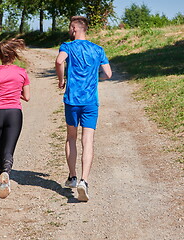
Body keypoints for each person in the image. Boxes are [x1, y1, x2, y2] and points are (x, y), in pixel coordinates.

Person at [55, 16, 112, 202]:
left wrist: (61, 80)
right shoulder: (98, 49)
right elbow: (108, 74)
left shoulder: (68, 47)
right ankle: (84, 181)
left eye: (70, 28)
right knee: (88, 139)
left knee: (71, 137)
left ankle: (72, 177)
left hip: (72, 100)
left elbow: (58, 62)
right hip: (90, 102)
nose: (69, 31)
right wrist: (96, 79)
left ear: (74, 28)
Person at [0, 38, 30, 199]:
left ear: (0, 55)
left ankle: (2, 178)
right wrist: (15, 91)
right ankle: (5, 175)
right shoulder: (21, 72)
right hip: (14, 113)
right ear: (13, 55)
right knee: (8, 149)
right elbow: (27, 97)